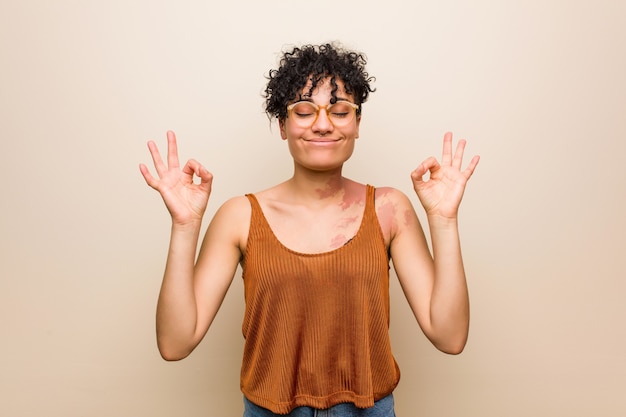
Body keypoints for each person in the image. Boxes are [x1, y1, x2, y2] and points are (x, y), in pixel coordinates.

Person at [139, 43, 479, 417]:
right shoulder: (240, 216)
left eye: (340, 110)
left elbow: (450, 337)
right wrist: (185, 226)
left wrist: (443, 221)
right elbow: (174, 343)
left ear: (357, 124)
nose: (322, 123)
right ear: (283, 126)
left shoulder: (389, 209)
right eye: (304, 110)